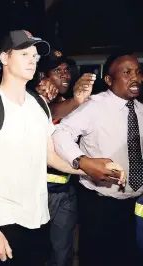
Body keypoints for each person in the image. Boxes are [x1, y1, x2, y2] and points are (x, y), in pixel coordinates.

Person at [0, 30, 92, 266]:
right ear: (5, 58)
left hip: (39, 220)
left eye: (35, 54)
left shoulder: (39, 104)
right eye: (24, 53)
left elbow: (50, 155)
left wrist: (87, 169)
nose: (33, 59)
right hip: (2, 223)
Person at [52, 51, 143, 266]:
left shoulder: (140, 109)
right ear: (109, 80)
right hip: (100, 205)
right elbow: (61, 133)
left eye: (138, 72)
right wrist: (82, 161)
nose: (135, 78)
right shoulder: (94, 106)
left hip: (135, 205)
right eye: (127, 72)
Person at [35, 50, 96, 266]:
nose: (65, 74)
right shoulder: (32, 98)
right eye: (57, 70)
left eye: (66, 70)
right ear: (43, 75)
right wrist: (76, 100)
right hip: (36, 192)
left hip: (65, 190)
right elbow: (51, 111)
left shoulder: (73, 102)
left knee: (63, 254)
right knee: (35, 252)